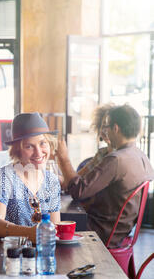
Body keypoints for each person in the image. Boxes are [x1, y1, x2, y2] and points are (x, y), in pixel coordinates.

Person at [56, 104, 154, 247]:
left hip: (101, 232)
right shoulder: (141, 156)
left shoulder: (116, 159)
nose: (104, 133)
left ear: (115, 128)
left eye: (106, 127)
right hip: (122, 231)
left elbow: (78, 191)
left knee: (50, 226)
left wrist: (63, 158)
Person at [0, 112, 61, 244]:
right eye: (29, 146)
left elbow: (55, 227)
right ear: (17, 150)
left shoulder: (52, 180)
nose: (38, 152)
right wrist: (29, 233)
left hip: (42, 253)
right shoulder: (4, 176)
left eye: (43, 143)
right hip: (9, 255)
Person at [77, 103, 115, 177]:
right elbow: (78, 177)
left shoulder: (118, 157)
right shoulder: (101, 153)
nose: (105, 130)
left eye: (109, 126)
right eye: (103, 125)